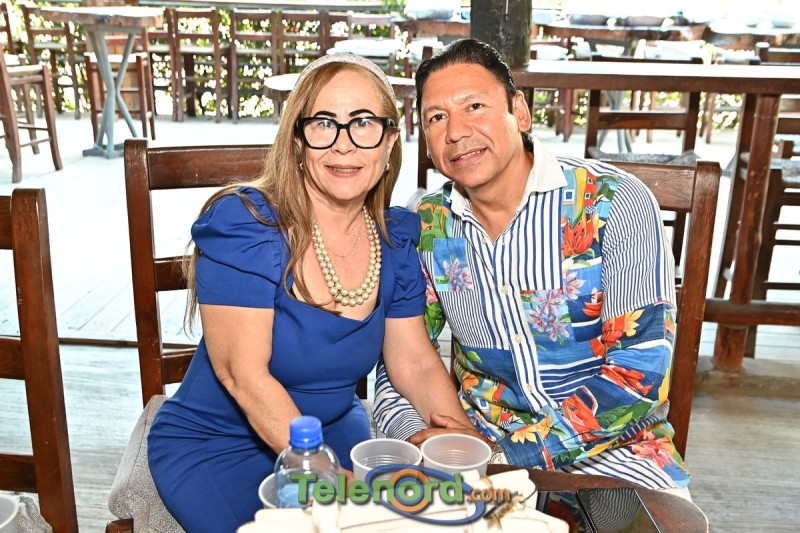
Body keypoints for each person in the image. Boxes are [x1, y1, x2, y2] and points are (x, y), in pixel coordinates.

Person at [147, 53, 476, 533]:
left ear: (390, 141)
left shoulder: (396, 239)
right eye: (324, 123)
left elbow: (415, 362)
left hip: (334, 430)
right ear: (298, 141)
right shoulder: (247, 226)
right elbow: (243, 376)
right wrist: (331, 482)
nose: (344, 144)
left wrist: (462, 438)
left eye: (363, 123)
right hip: (219, 443)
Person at [373, 38, 691, 517]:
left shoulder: (612, 202)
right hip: (475, 445)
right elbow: (400, 357)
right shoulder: (428, 224)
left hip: (615, 454)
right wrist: (418, 436)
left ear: (519, 112)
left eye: (474, 106)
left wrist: (503, 457)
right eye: (437, 117)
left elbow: (640, 374)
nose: (456, 132)